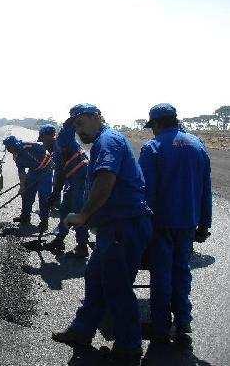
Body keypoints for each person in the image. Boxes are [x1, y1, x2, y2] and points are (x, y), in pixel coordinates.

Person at [52, 104, 152, 365]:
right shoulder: (103, 141)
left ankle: (129, 346)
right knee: (95, 278)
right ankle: (82, 331)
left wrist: (83, 215)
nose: (78, 129)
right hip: (113, 226)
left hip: (124, 224)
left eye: (81, 122)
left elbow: (105, 180)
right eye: (74, 125)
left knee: (117, 286)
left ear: (96, 117)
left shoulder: (107, 141)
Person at [138, 103, 212, 346]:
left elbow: (146, 192)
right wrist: (204, 223)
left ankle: (160, 326)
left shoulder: (152, 148)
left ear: (157, 124)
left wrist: (142, 225)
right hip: (188, 222)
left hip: (161, 223)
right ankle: (183, 324)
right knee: (182, 271)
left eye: (153, 127)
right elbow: (205, 189)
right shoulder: (198, 145)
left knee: (162, 274)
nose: (153, 131)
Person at [44, 115, 90, 257]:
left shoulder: (62, 140)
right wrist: (55, 194)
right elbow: (59, 175)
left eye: (43, 139)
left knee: (78, 211)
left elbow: (69, 128)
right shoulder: (54, 152)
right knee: (64, 209)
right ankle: (59, 239)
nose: (43, 144)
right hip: (73, 180)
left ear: (49, 136)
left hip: (83, 178)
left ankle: (82, 246)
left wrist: (73, 117)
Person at [3, 135, 53, 232]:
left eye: (10, 147)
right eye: (8, 148)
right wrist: (22, 186)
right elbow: (21, 172)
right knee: (27, 194)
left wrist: (51, 163)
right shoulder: (16, 156)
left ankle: (44, 222)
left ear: (15, 145)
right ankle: (25, 217)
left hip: (46, 172)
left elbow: (48, 153)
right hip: (33, 172)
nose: (9, 150)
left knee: (44, 197)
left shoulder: (31, 146)